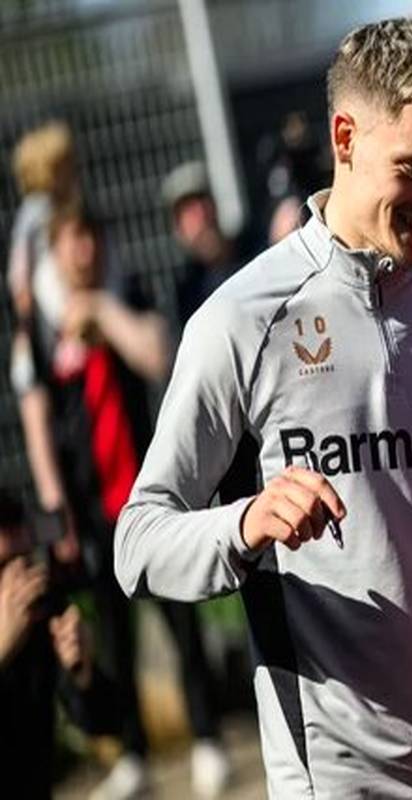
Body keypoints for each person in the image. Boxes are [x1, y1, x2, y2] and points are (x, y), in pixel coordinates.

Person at [114, 18, 412, 797]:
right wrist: (245, 524)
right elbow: (137, 544)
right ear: (345, 138)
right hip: (340, 778)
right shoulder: (242, 319)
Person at [10, 204, 234, 800]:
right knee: (114, 637)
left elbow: (159, 356)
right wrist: (57, 509)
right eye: (72, 240)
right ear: (55, 252)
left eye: (91, 236)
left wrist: (103, 312)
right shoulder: (41, 326)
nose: (84, 250)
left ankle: (207, 737)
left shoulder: (123, 294)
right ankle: (131, 753)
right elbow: (36, 419)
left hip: (147, 498)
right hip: (91, 511)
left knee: (182, 620)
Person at [0, 491, 121, 800]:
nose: (17, 580)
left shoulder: (40, 610)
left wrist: (83, 673)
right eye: (3, 567)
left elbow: (106, 722)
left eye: (24, 560)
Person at [160, 160, 249, 333]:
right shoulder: (186, 295)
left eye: (203, 202)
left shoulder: (255, 248)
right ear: (178, 229)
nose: (201, 215)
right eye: (189, 211)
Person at [6, 120, 79, 325]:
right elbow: (22, 252)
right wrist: (21, 287)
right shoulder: (37, 208)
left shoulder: (66, 205)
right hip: (46, 279)